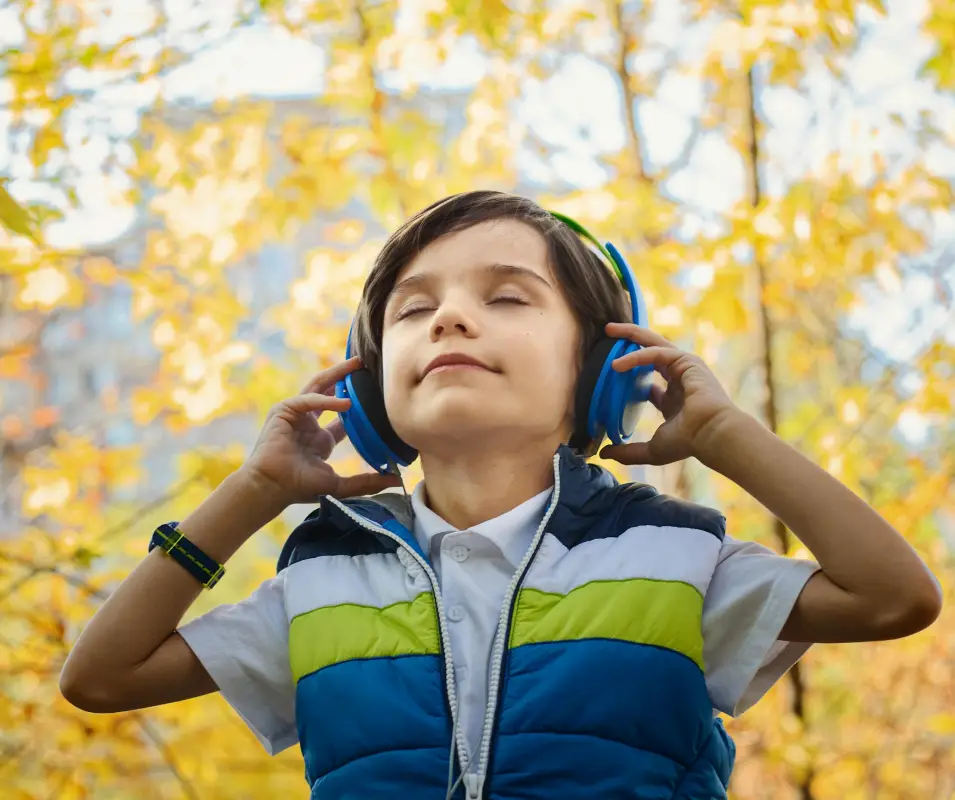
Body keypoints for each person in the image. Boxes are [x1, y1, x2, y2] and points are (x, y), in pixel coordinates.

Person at [60, 191, 942, 799]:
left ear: (600, 372)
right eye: (412, 310)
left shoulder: (671, 560)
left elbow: (893, 595)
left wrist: (722, 434)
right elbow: (101, 676)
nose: (447, 318)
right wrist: (252, 494)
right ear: (369, 396)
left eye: (507, 297)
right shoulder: (321, 584)